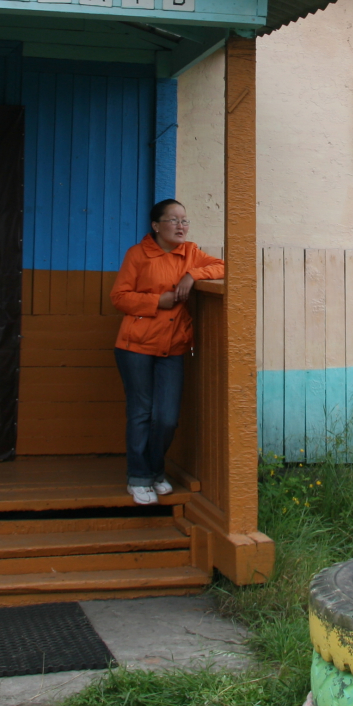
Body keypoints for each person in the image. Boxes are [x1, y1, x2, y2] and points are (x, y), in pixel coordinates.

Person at [109, 199, 224, 504]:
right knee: (141, 412)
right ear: (156, 225)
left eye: (184, 220)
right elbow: (119, 297)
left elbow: (224, 266)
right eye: (173, 220)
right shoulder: (138, 254)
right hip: (135, 346)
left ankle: (154, 471)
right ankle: (140, 477)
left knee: (167, 417)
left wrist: (193, 275)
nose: (181, 226)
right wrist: (156, 302)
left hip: (173, 346)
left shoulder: (191, 254)